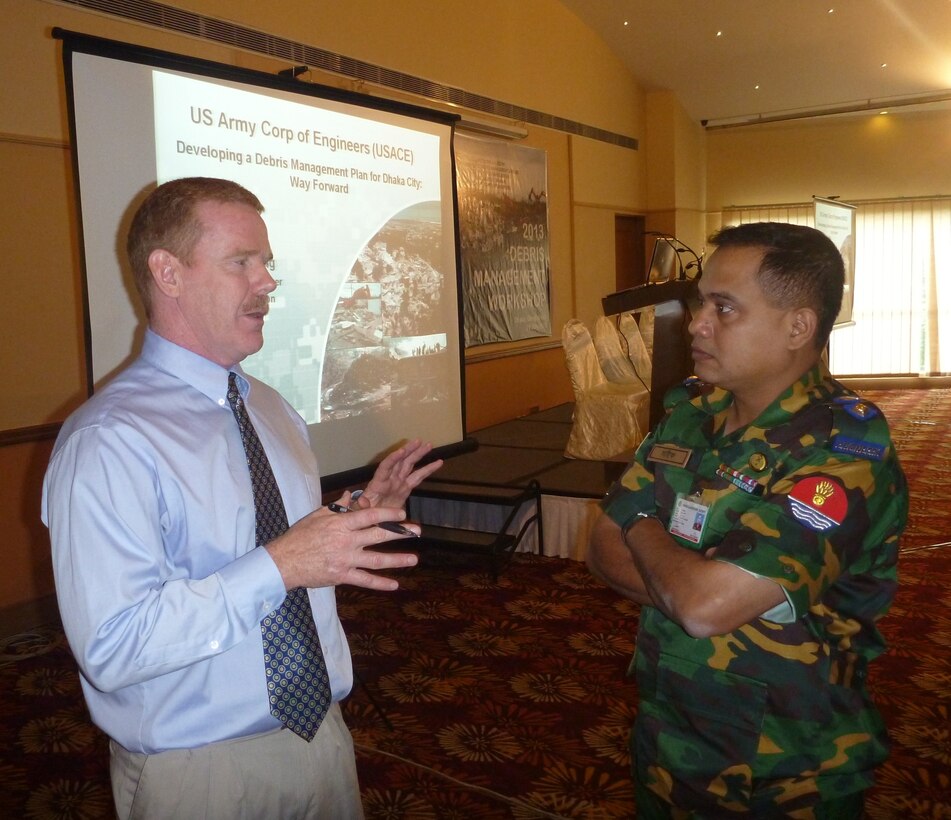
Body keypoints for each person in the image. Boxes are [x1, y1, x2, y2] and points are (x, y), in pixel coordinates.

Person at [41, 176, 442, 818]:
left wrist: (358, 515)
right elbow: (113, 647)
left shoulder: (275, 410)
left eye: (267, 262)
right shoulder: (109, 440)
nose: (267, 281)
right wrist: (280, 564)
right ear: (167, 273)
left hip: (321, 738)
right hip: (200, 772)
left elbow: (278, 552)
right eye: (242, 262)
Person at [586, 222, 908, 818]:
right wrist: (681, 581)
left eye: (724, 307)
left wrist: (639, 521)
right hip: (668, 740)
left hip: (785, 770)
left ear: (798, 326)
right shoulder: (689, 414)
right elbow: (601, 548)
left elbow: (704, 607)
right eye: (699, 302)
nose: (697, 323)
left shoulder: (843, 449)